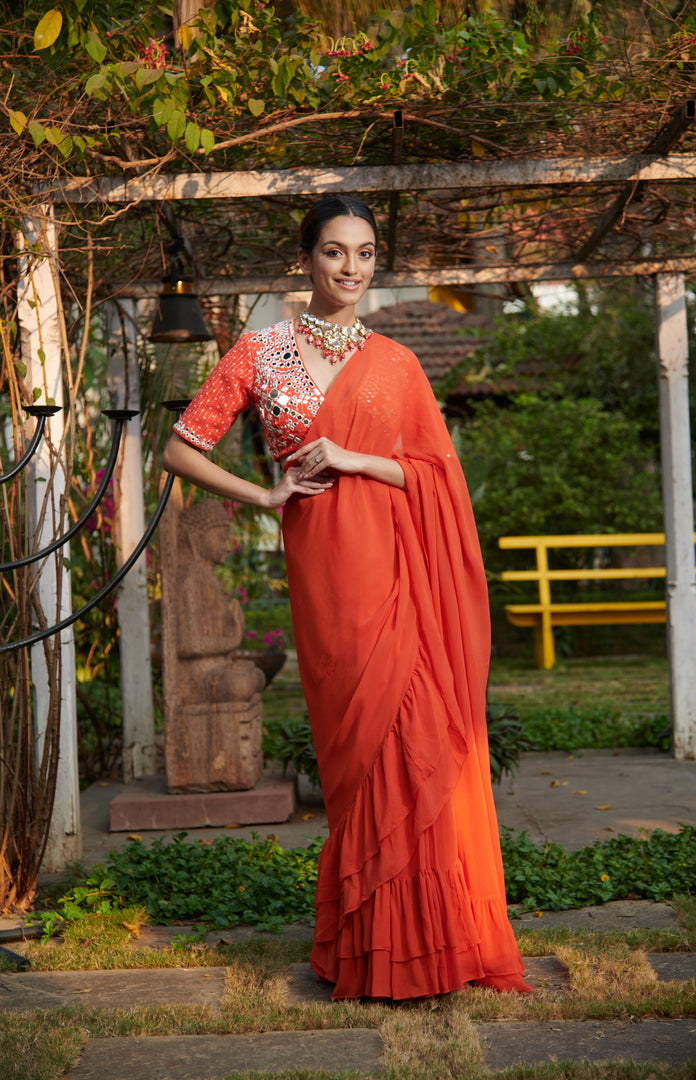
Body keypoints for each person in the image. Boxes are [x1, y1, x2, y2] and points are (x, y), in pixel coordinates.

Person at [162, 195, 533, 1000]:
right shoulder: (260, 355)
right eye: (336, 252)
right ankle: (366, 950)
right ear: (307, 259)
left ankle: (428, 947)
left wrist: (357, 459)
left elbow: (436, 474)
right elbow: (179, 448)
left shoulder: (397, 362)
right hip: (326, 574)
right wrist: (264, 496)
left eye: (366, 254)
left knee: (416, 741)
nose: (352, 269)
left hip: (399, 572)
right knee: (359, 760)